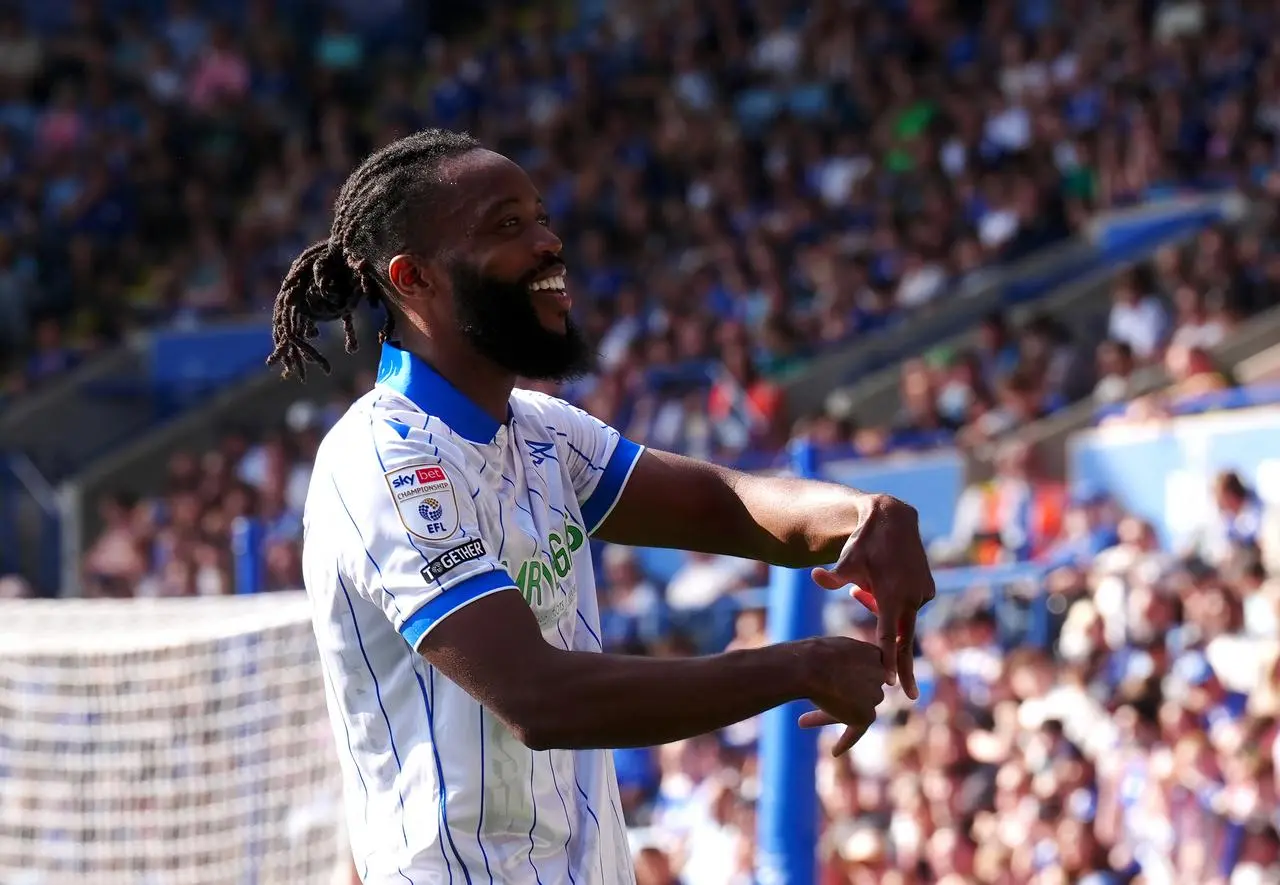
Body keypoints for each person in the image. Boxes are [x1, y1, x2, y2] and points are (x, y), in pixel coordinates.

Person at [270, 129, 935, 885]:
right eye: (508, 226)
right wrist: (796, 666)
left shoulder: (543, 430)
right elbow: (541, 698)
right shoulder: (382, 462)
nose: (551, 244)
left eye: (543, 218)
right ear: (413, 276)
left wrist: (863, 515)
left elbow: (725, 501)